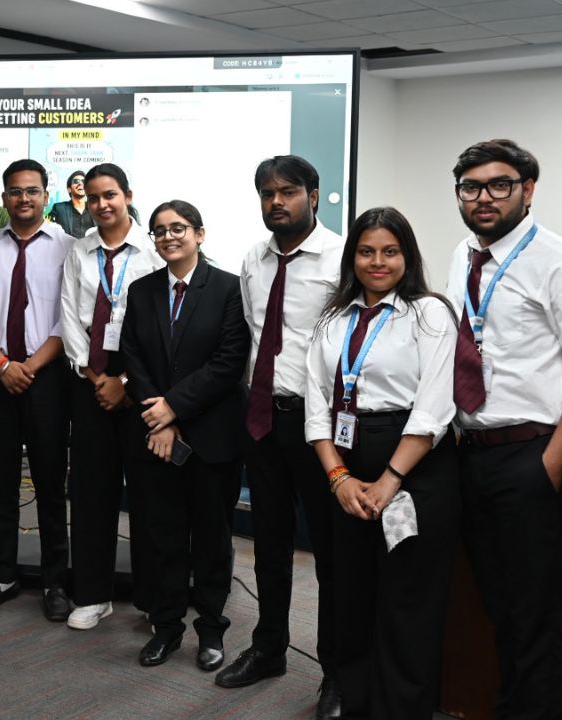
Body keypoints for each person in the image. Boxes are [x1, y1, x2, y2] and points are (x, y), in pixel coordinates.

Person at [444, 140, 562, 719]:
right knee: (498, 604)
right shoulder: (462, 254)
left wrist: (551, 465)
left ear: (528, 190)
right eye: (471, 187)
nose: (485, 198)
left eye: (500, 185)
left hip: (534, 451)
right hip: (473, 452)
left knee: (538, 613)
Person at [304, 206, 460, 720]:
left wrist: (389, 481)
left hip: (412, 465)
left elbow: (434, 406)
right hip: (345, 464)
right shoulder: (333, 319)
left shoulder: (429, 313)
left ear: (406, 256)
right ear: (352, 257)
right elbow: (316, 404)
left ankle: (404, 708)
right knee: (350, 591)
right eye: (366, 251)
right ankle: (356, 700)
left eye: (389, 251)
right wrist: (338, 478)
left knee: (407, 598)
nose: (377, 262)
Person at [220, 156, 344, 720]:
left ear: (313, 194)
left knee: (330, 555)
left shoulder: (343, 256)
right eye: (267, 193)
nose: (277, 202)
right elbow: (251, 334)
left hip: (318, 424)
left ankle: (336, 673)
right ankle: (269, 649)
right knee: (267, 546)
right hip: (261, 417)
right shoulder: (254, 257)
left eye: (288, 191)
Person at [120, 199, 249, 670]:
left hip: (212, 438)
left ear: (199, 233)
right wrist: (162, 419)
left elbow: (228, 363)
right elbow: (132, 357)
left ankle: (211, 631)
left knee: (212, 540)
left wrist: (172, 409)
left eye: (178, 228)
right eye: (159, 231)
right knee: (164, 537)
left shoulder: (230, 289)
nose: (168, 236)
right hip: (158, 438)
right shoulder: (141, 291)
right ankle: (167, 626)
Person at [0, 158, 73, 620]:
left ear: (45, 195)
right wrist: (4, 364)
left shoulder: (71, 248)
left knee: (50, 481)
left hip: (48, 376)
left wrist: (29, 366)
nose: (23, 198)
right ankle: (1, 575)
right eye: (15, 191)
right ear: (4, 198)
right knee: (0, 480)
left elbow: (72, 316)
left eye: (32, 190)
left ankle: (55, 582)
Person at [58, 163, 162, 630]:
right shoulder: (79, 251)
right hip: (89, 385)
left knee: (146, 496)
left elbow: (159, 326)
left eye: (111, 195)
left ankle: (152, 599)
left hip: (140, 389)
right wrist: (95, 374)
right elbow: (69, 315)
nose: (102, 204)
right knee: (91, 492)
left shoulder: (154, 252)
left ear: (127, 196)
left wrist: (124, 381)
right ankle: (92, 594)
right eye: (94, 196)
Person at [48, 170, 93, 239]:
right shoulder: (59, 208)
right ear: (69, 189)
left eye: (84, 181)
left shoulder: (95, 208)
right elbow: (47, 228)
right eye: (76, 181)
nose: (80, 184)